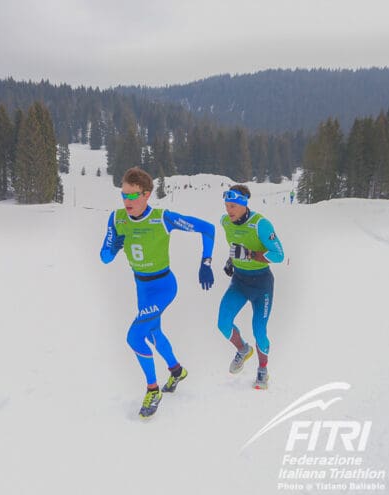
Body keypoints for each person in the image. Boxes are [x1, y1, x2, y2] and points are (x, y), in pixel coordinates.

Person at [100, 167, 215, 418]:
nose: (127, 201)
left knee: (134, 336)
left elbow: (208, 229)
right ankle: (176, 370)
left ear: (147, 195)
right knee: (153, 332)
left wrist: (206, 263)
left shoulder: (163, 218)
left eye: (133, 196)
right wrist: (115, 244)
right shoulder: (117, 218)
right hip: (142, 287)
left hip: (164, 286)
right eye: (123, 195)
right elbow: (105, 257)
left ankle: (153, 390)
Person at [218, 185, 284, 390]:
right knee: (223, 323)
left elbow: (279, 255)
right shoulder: (225, 222)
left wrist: (251, 255)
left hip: (262, 283)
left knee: (259, 330)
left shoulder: (260, 225)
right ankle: (243, 349)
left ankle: (262, 368)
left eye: (234, 206)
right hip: (240, 281)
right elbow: (235, 244)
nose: (229, 211)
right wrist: (232, 261)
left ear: (244, 205)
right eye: (227, 205)